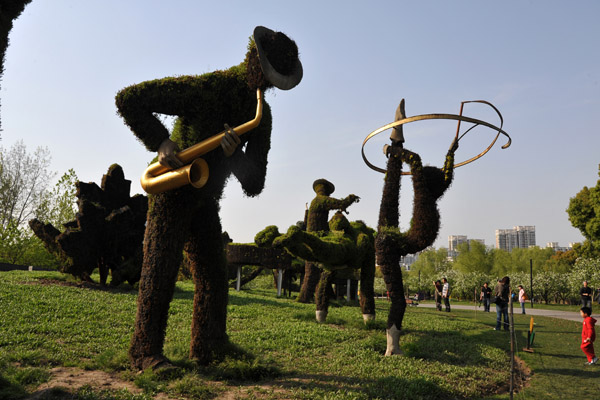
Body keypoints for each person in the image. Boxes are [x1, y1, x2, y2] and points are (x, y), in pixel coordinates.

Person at [115, 26, 302, 370]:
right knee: (161, 268)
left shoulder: (262, 117)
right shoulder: (209, 88)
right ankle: (144, 353)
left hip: (204, 201)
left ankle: (210, 346)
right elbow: (129, 99)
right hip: (172, 189)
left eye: (274, 84)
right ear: (254, 62)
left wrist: (233, 156)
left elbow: (254, 182)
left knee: (214, 276)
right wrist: (161, 143)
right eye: (267, 76)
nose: (267, 89)